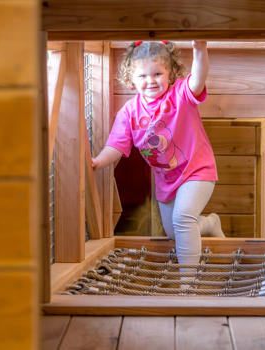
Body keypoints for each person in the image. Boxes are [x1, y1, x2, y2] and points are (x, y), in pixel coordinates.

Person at [92, 40, 224, 273]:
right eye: (142, 76)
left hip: (197, 170)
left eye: (157, 73)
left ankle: (188, 283)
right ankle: (210, 222)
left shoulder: (180, 94)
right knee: (175, 231)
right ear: (131, 78)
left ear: (170, 73)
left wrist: (200, 49)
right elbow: (116, 145)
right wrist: (97, 161)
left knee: (183, 218)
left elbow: (198, 79)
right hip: (167, 181)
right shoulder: (129, 112)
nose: (150, 80)